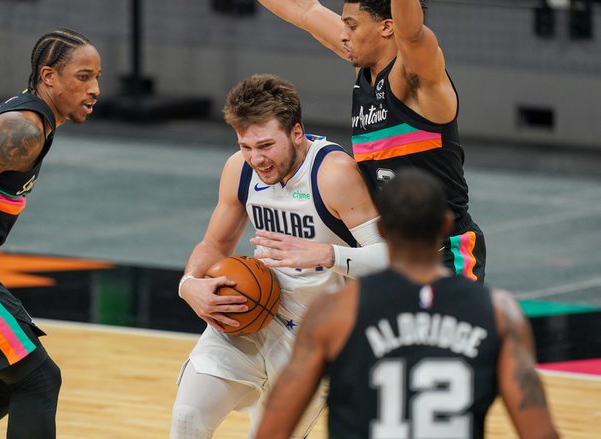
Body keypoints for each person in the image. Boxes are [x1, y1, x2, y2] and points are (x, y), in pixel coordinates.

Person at [254, 168, 559, 439]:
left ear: (383, 231)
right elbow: (539, 432)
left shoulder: (333, 312)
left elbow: (274, 430)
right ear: (446, 225)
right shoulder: (500, 312)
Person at [171, 73, 388, 438]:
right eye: (246, 145)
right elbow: (214, 245)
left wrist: (326, 254)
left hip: (314, 337)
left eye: (266, 145)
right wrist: (189, 283)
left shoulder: (333, 174)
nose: (256, 158)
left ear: (297, 132)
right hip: (247, 316)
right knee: (187, 418)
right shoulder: (238, 169)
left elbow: (390, 261)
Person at [0, 28, 100, 438]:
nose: (95, 88)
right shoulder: (23, 131)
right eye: (83, 77)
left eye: (97, 77)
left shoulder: (30, 120)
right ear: (48, 77)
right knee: (37, 379)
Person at [257, 0, 486, 283]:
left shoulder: (414, 78)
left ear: (388, 27)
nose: (343, 33)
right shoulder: (364, 65)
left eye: (351, 25)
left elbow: (412, 33)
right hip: (384, 248)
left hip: (440, 250)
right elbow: (304, 10)